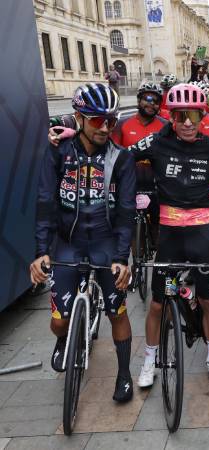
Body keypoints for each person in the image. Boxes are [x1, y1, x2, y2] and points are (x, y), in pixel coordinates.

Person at [30, 82, 136, 402]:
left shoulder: (121, 158)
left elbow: (127, 211)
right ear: (79, 118)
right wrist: (39, 253)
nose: (105, 127)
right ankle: (64, 341)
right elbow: (46, 203)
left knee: (117, 312)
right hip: (68, 244)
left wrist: (121, 257)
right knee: (58, 322)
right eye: (96, 120)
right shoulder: (59, 152)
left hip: (105, 244)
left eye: (111, 121)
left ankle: (125, 374)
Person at [132, 83, 209, 387]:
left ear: (203, 114)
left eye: (193, 115)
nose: (188, 122)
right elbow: (121, 156)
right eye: (180, 116)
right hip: (170, 241)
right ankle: (149, 360)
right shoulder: (158, 143)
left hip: (202, 236)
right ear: (172, 117)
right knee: (158, 301)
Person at [111, 81, 168, 258]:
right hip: (130, 185)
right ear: (139, 100)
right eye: (148, 98)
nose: (152, 104)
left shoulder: (165, 126)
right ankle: (137, 269)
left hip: (158, 186)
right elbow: (113, 155)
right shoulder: (122, 124)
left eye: (156, 101)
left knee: (158, 233)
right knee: (134, 231)